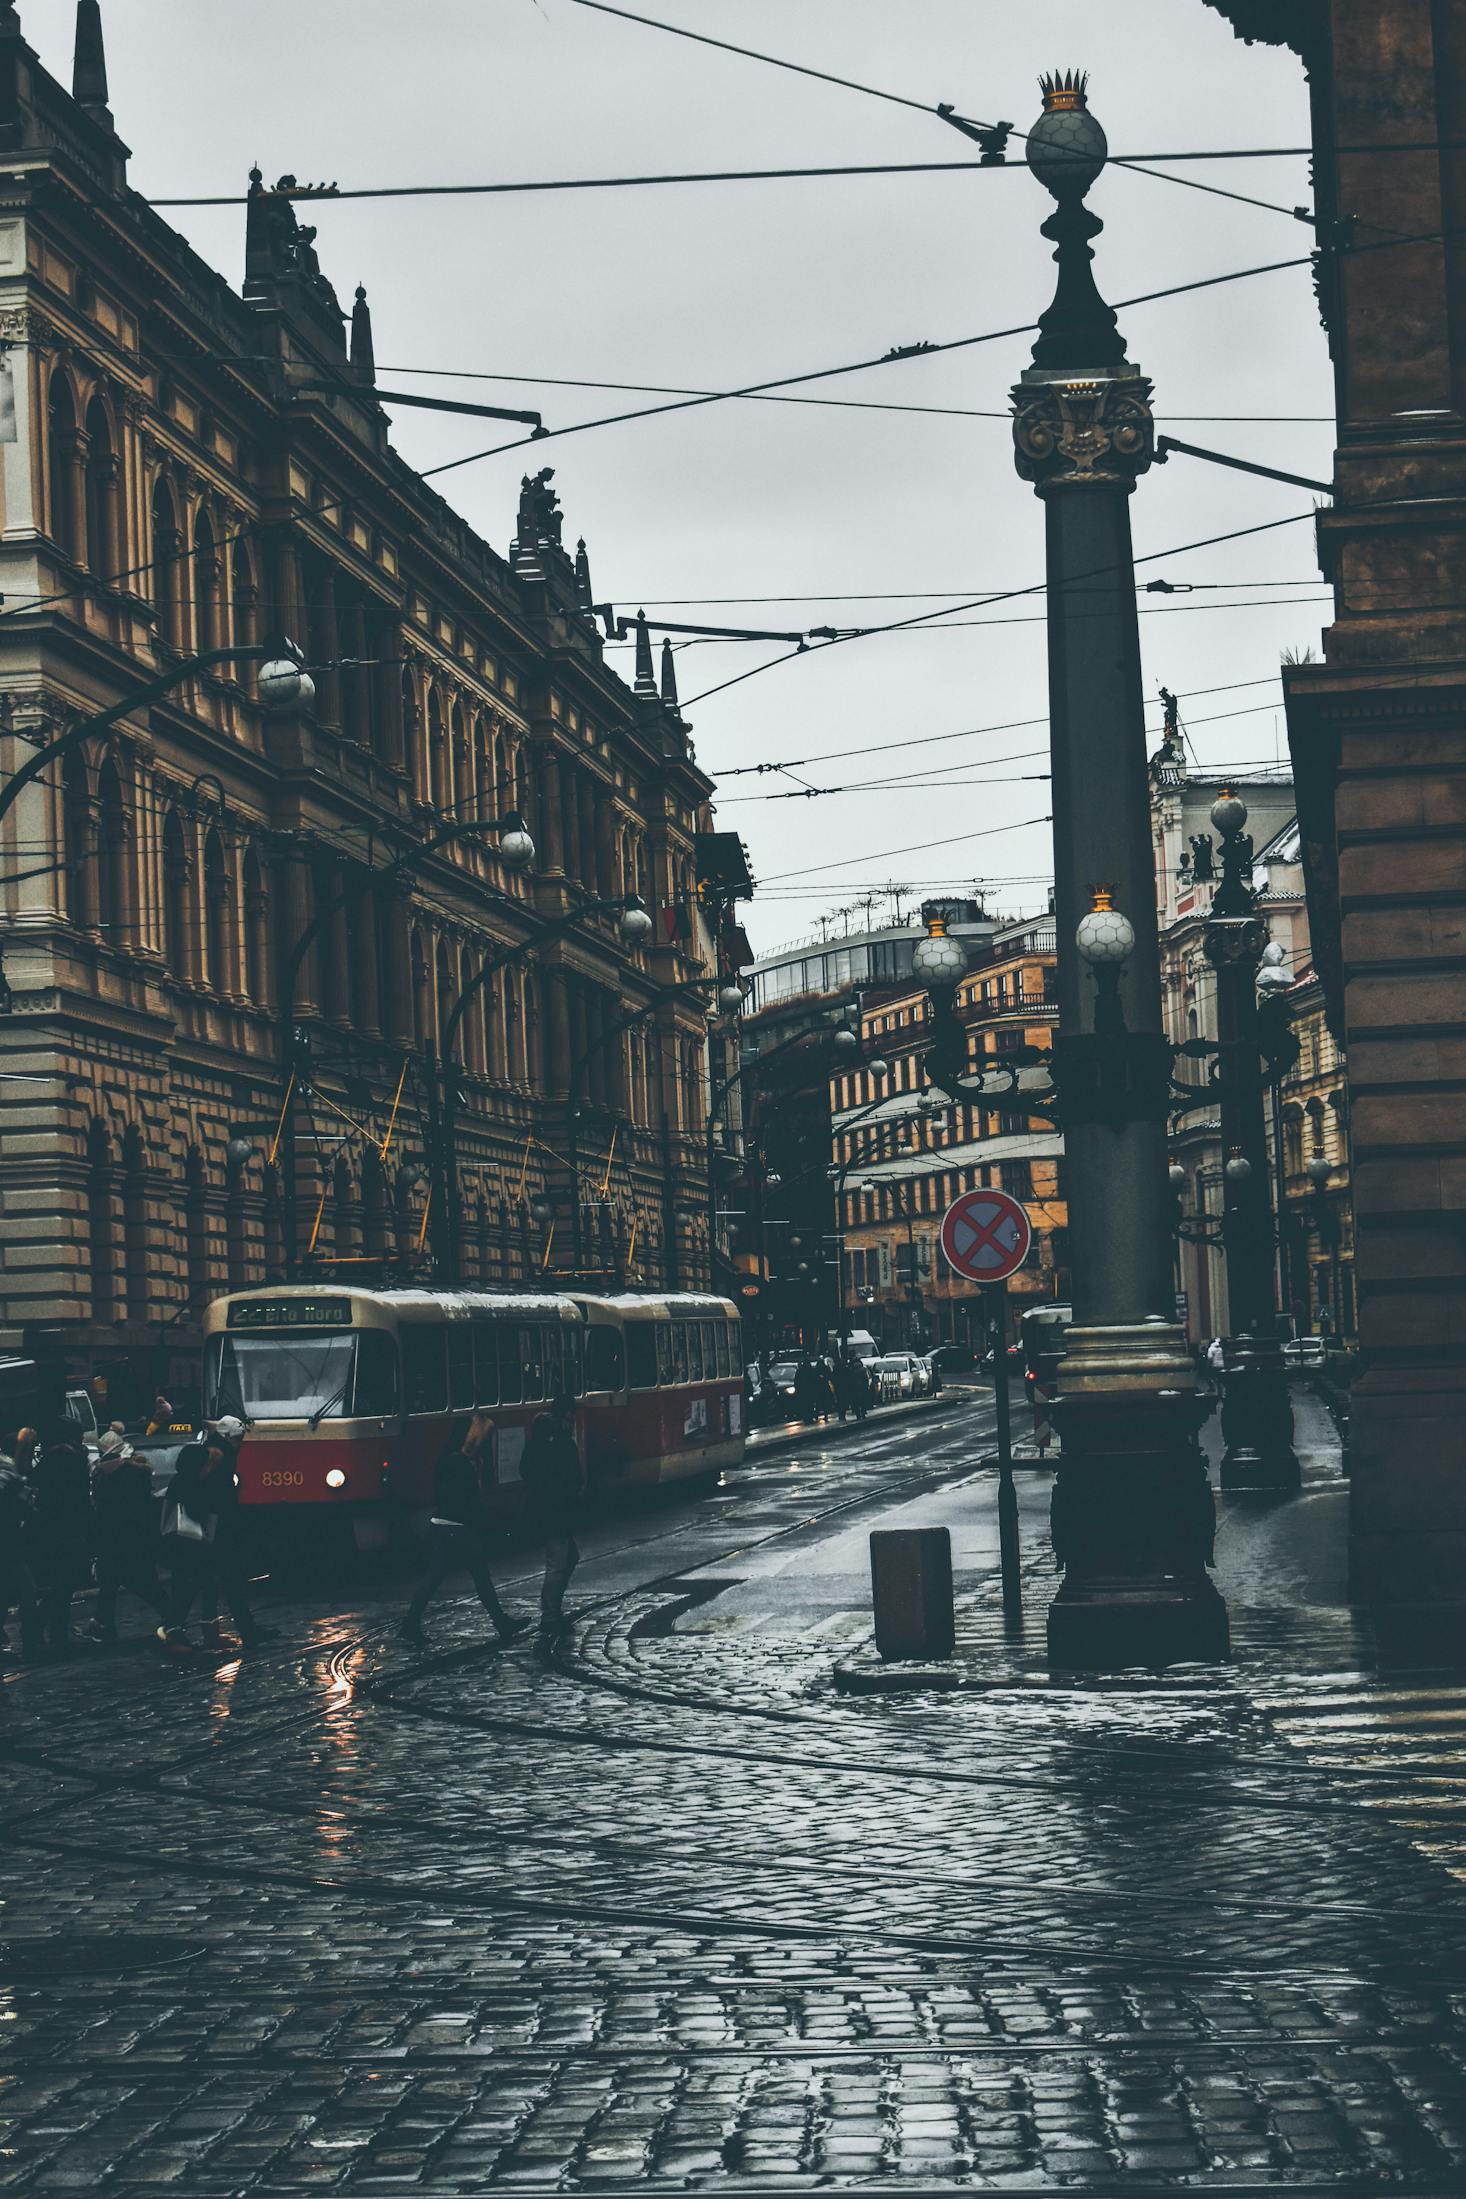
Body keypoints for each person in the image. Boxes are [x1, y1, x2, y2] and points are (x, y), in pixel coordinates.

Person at [403, 1413, 525, 1649]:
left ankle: (411, 1623)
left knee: (434, 1578)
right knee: (481, 1578)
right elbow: (470, 1502)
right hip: (458, 1529)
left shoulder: (445, 1459)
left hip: (441, 1525)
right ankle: (501, 1623)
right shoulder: (460, 1464)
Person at [159, 1430, 271, 1654]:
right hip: (188, 1544)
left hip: (196, 1545)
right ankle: (174, 1635)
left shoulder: (186, 1480)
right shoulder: (189, 1483)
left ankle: (204, 1633)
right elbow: (199, 1510)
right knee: (185, 1589)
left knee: (204, 1586)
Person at [86, 1431, 166, 1644]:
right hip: (133, 1536)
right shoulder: (136, 1473)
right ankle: (172, 1615)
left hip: (115, 1537)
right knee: (135, 1581)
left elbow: (105, 1510)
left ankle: (105, 1626)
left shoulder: (104, 1477)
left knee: (118, 1582)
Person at [520, 1391, 586, 1642]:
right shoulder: (561, 1440)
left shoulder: (539, 1439)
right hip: (557, 1509)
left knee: (568, 1557)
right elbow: (573, 1476)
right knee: (558, 1563)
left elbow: (525, 1468)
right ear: (566, 1414)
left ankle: (553, 1610)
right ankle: (550, 1615)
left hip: (547, 1507)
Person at [26, 1418, 92, 1656]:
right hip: (67, 1531)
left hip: (50, 1532)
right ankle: (44, 1630)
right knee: (64, 1585)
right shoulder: (69, 1460)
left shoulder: (48, 1460)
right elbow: (77, 1501)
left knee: (60, 1585)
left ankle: (52, 1632)